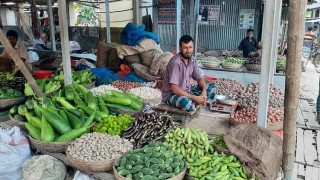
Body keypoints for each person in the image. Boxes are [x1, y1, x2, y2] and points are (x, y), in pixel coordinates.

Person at [162, 35, 215, 112]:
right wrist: (195, 98)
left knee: (211, 87)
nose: (188, 50)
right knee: (185, 102)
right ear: (180, 48)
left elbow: (199, 78)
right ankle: (198, 102)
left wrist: (203, 91)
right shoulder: (175, 63)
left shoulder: (192, 60)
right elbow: (174, 88)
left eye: (190, 47)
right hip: (172, 95)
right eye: (185, 48)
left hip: (187, 92)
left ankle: (199, 101)